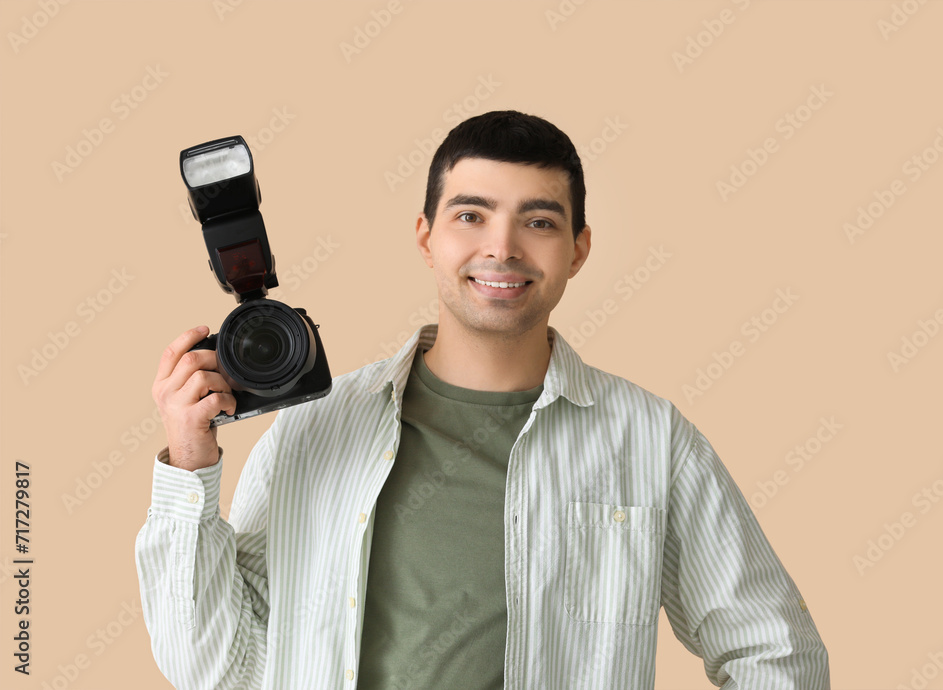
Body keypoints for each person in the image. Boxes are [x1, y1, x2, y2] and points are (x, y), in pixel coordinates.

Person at [136, 110, 830, 689]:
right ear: (426, 237)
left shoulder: (650, 440)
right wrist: (190, 462)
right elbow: (217, 667)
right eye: (471, 215)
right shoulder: (314, 429)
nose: (502, 248)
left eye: (539, 222)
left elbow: (778, 655)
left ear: (578, 249)